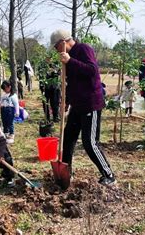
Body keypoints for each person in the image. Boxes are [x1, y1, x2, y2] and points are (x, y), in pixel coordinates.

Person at [51, 29, 115, 186]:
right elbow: (72, 84)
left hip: (90, 104)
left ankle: (109, 175)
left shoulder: (83, 49)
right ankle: (66, 174)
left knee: (90, 142)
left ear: (63, 42)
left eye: (56, 47)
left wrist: (70, 60)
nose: (56, 51)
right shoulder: (67, 57)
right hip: (77, 105)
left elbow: (92, 71)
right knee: (68, 138)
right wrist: (66, 103)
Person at [38, 55, 61, 123]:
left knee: (55, 103)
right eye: (47, 58)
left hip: (54, 88)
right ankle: (47, 117)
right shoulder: (42, 67)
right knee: (45, 102)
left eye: (50, 58)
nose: (48, 59)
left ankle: (55, 117)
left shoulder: (56, 65)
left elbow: (59, 74)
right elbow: (41, 77)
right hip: (46, 88)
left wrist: (54, 71)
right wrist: (42, 87)